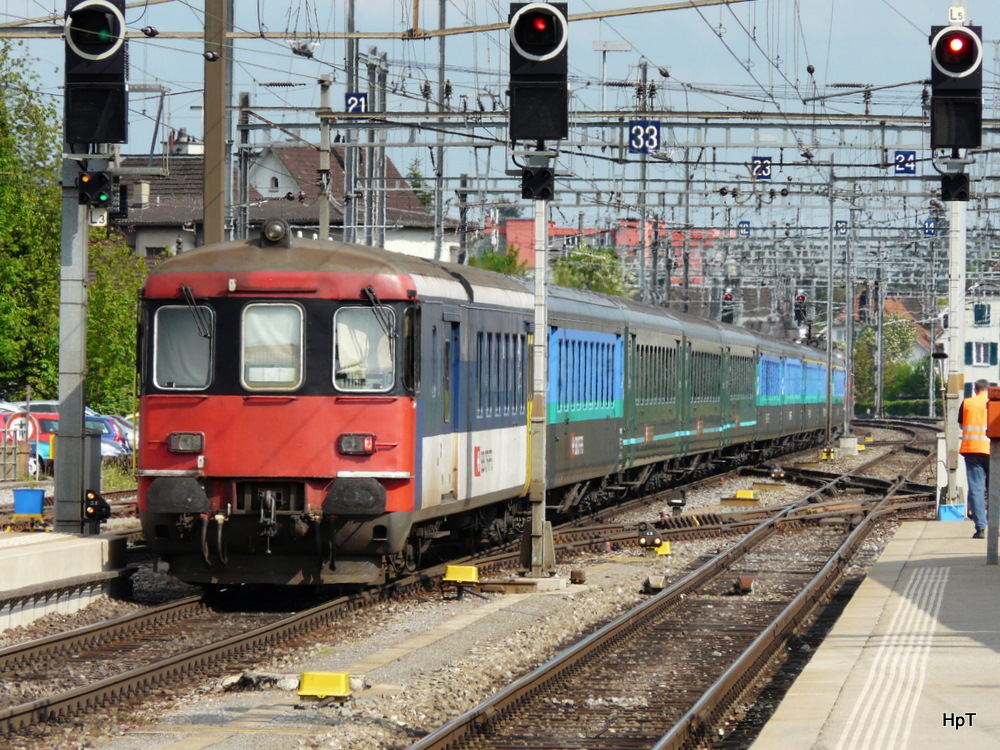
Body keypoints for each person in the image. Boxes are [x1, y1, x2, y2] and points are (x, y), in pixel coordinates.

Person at [959, 378, 991, 539]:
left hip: (972, 450)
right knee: (995, 489)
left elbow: (961, 425)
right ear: (987, 389)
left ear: (975, 390)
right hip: (993, 451)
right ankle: (996, 526)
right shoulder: (994, 403)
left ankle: (981, 528)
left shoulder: (967, 403)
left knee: (976, 489)